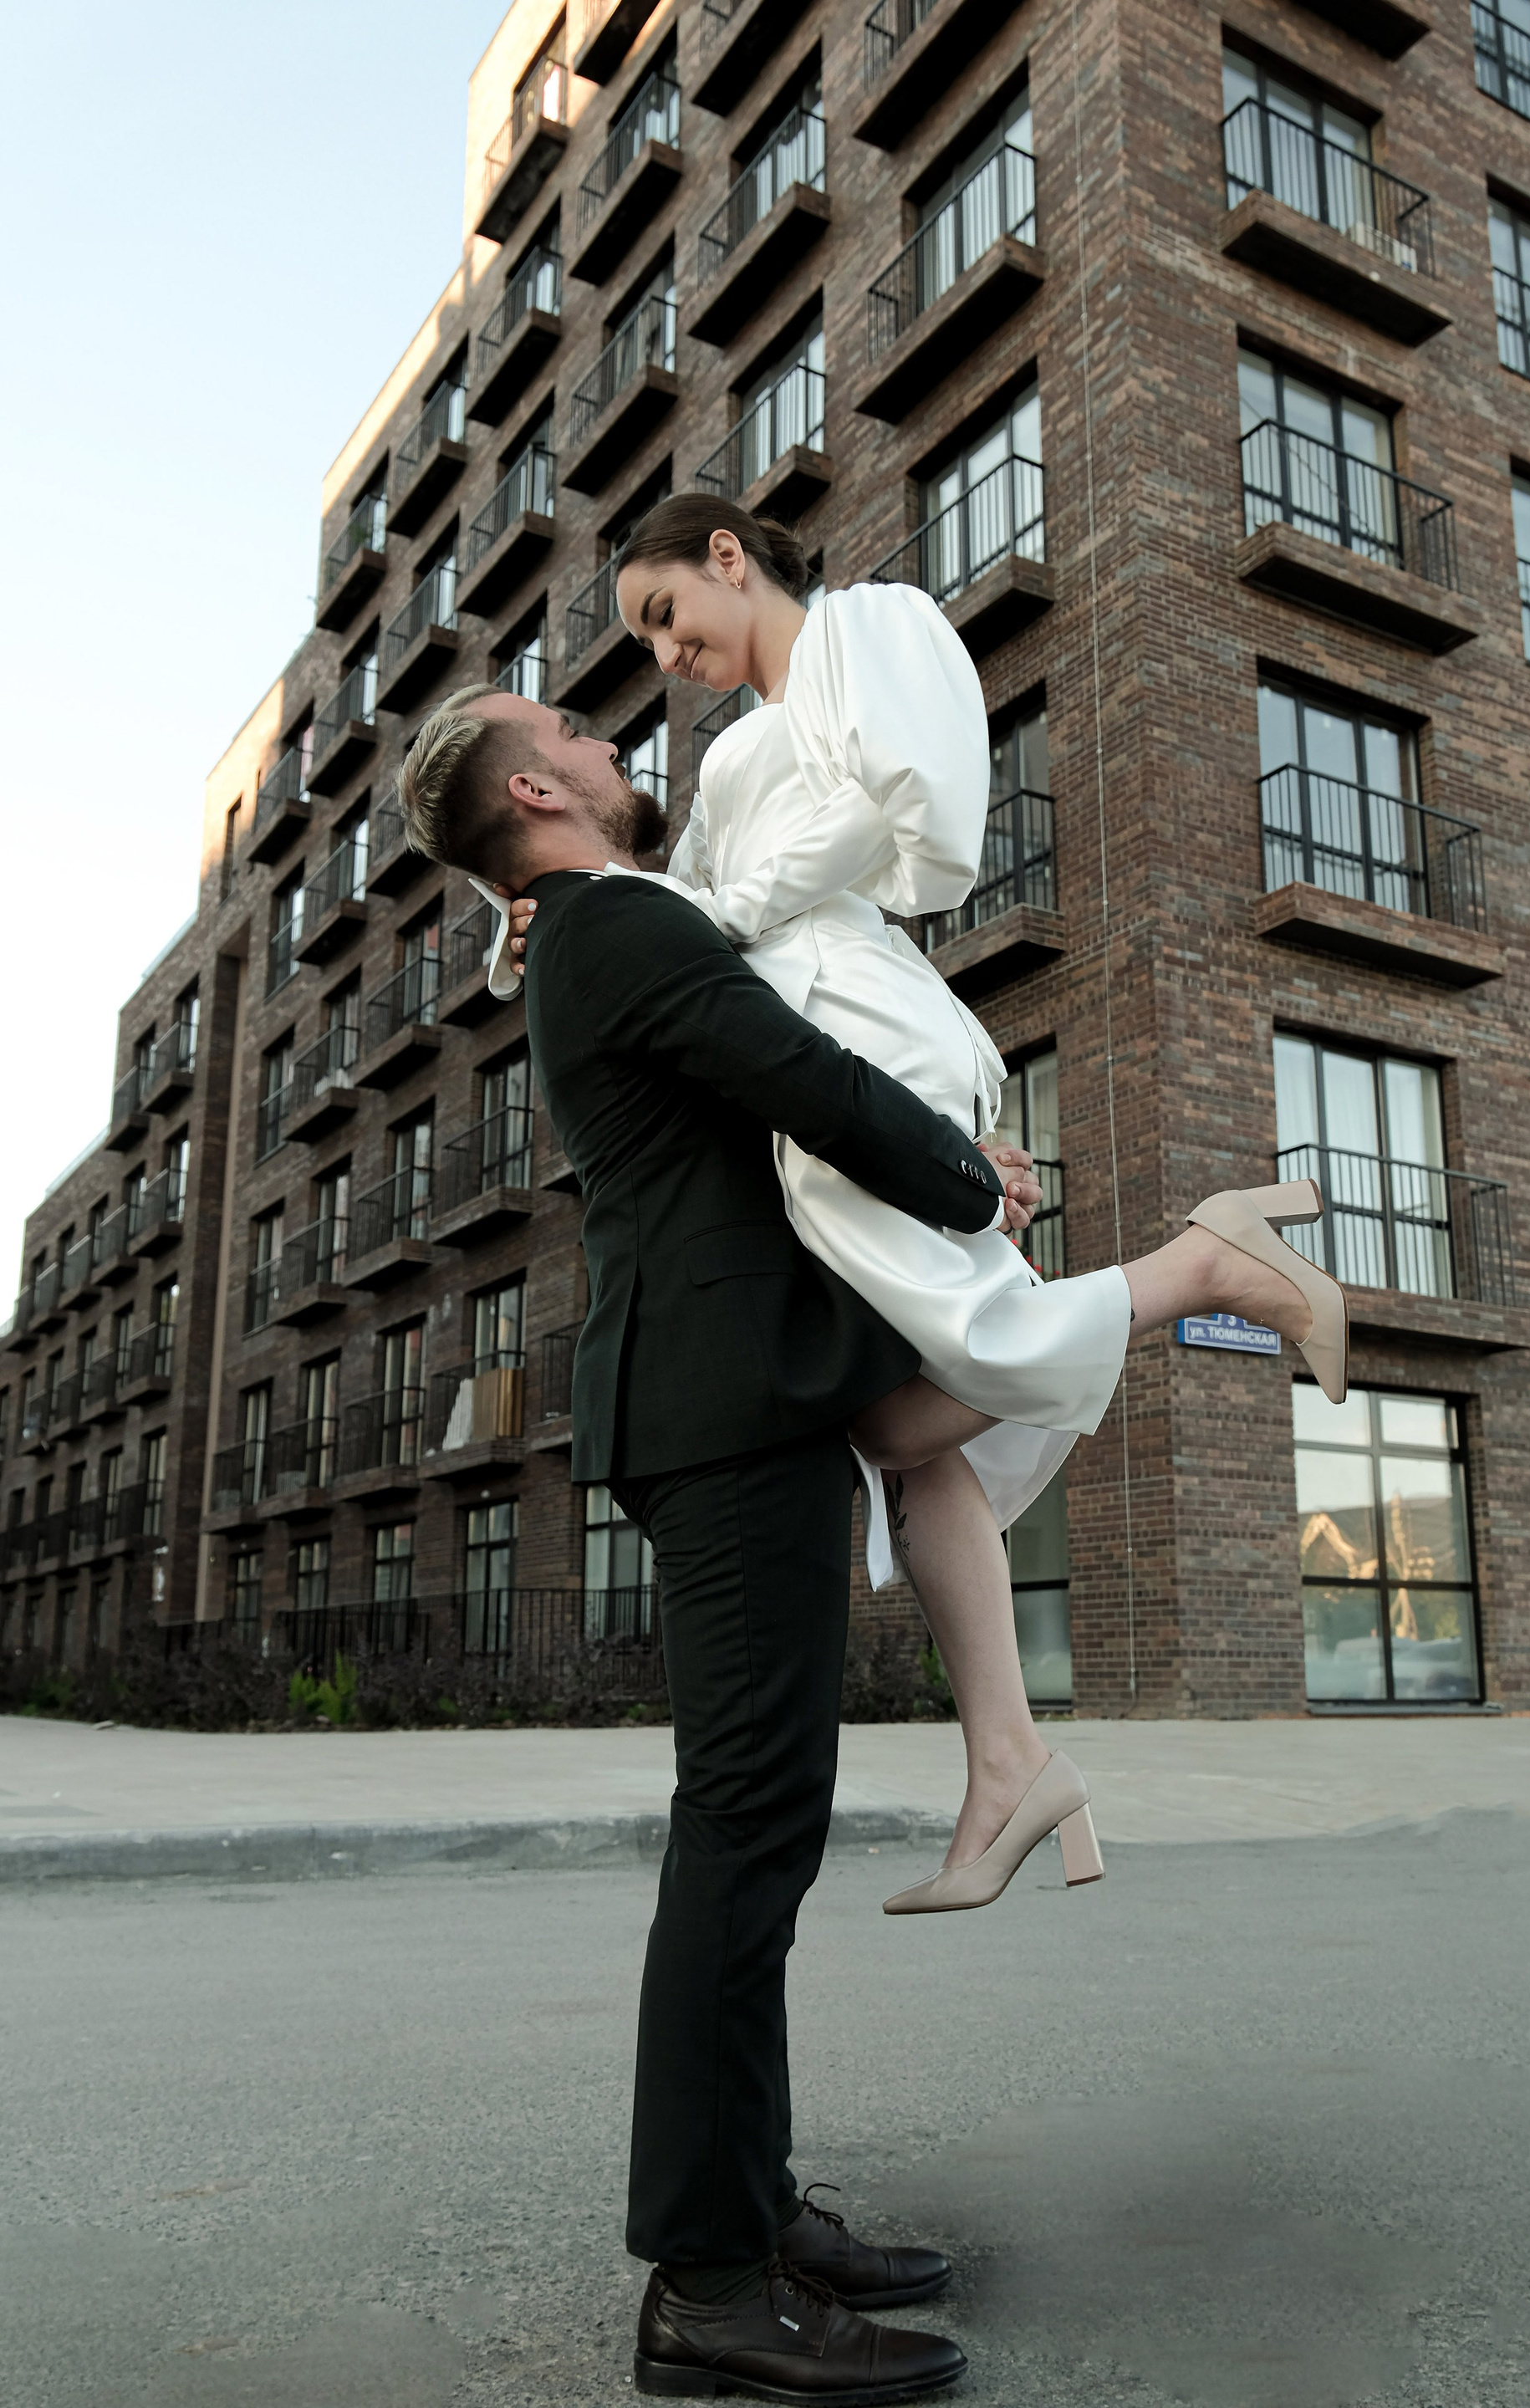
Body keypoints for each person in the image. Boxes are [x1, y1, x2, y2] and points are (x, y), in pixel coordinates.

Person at [396, 681, 1343, 2396]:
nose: (612, 746)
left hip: (728, 1401)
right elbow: (805, 1080)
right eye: (578, 737)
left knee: (756, 1828)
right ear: (535, 793)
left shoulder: (592, 928)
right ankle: (707, 2282)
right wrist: (975, 1180)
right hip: (721, 1412)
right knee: (745, 1834)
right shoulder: (610, 925)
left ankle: (749, 2210)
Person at [492, 497, 1349, 1911]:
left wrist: (717, 914)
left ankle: (1208, 1263)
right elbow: (664, 911)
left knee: (919, 1391)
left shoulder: (873, 628)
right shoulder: (735, 758)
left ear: (728, 557)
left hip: (853, 1030)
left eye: (666, 613)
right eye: (646, 639)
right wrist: (541, 912)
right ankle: (1009, 1762)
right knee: (894, 1427)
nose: (665, 654)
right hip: (815, 1048)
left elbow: (925, 834)